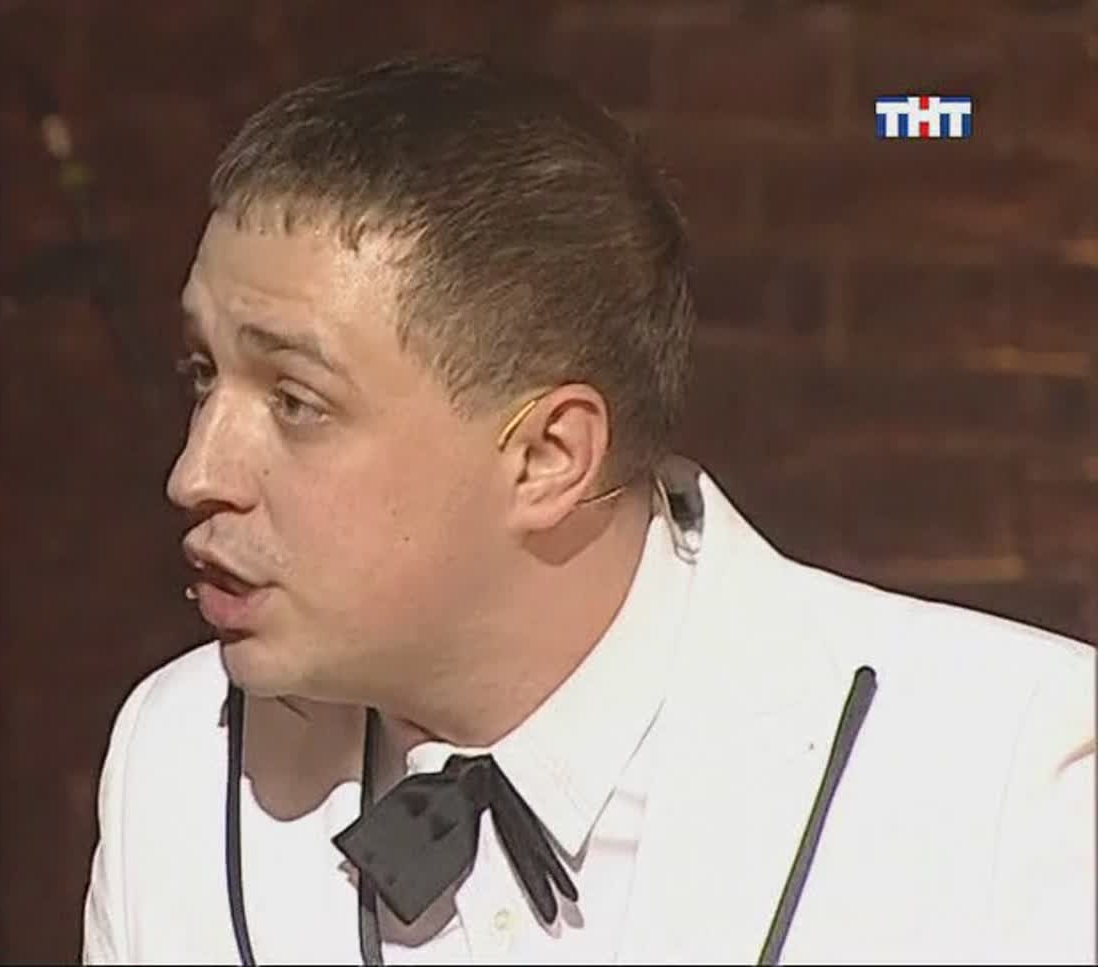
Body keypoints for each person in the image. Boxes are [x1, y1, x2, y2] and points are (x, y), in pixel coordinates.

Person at [81, 57, 1095, 965]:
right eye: (202, 373)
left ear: (546, 457)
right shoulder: (178, 758)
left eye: (297, 401)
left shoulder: (1008, 777)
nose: (196, 471)